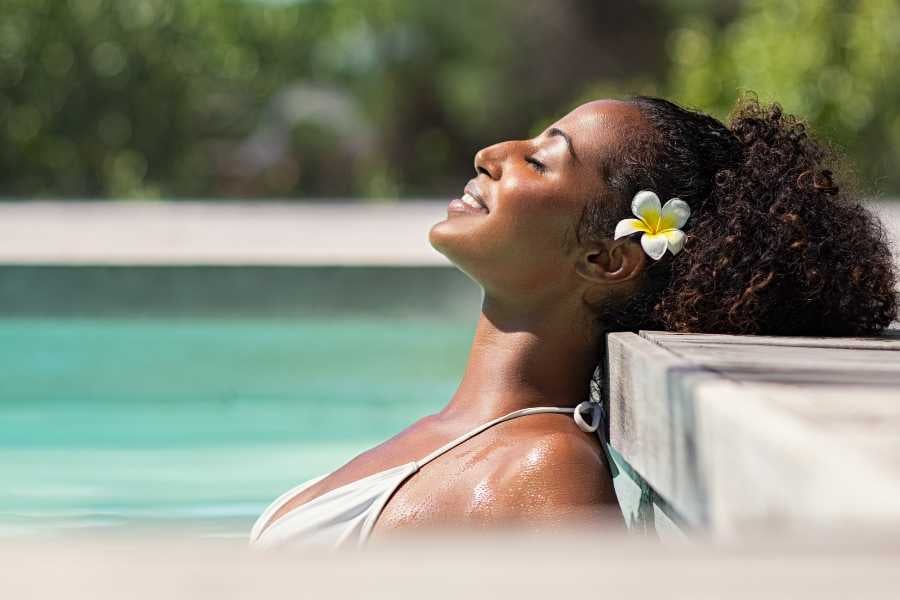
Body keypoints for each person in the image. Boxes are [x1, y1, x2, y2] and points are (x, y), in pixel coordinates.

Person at [249, 94, 898, 550]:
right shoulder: (460, 434)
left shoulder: (546, 471)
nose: (490, 153)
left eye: (539, 160)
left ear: (606, 259)